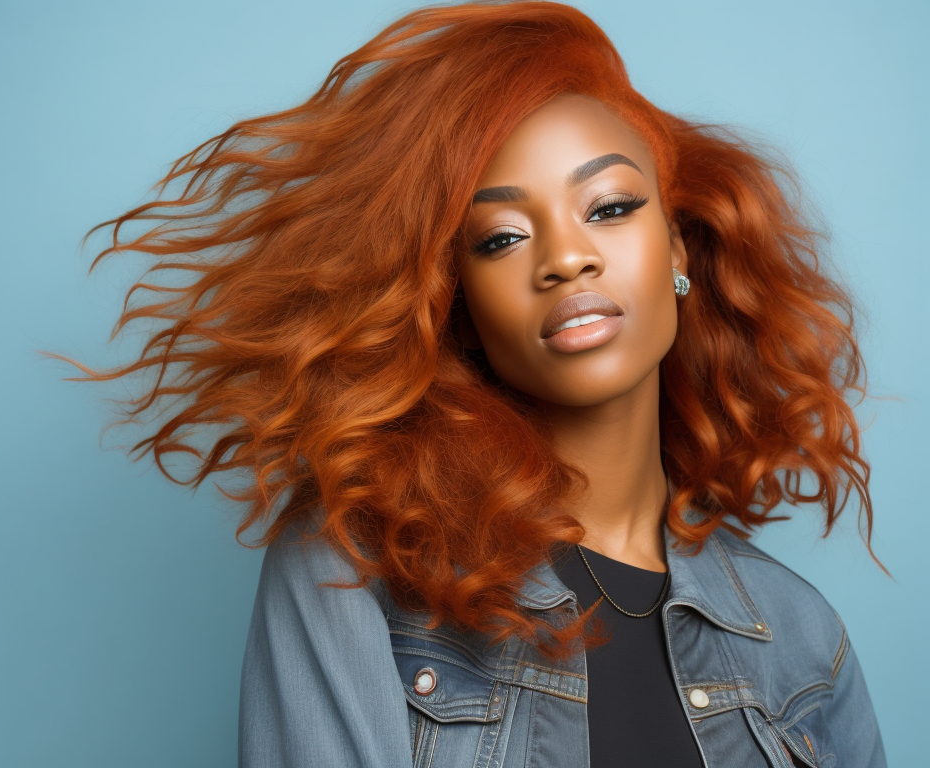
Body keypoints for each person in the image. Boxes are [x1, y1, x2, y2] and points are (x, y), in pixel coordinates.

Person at [67, 2, 888, 765]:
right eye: (501, 238)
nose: (565, 258)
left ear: (676, 252)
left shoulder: (799, 638)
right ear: (458, 300)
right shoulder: (354, 567)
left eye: (607, 208)